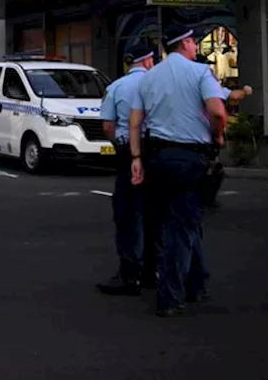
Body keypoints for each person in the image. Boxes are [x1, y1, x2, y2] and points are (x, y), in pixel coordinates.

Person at [128, 27, 228, 317]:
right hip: (189, 157)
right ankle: (169, 296)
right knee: (182, 227)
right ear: (185, 43)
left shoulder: (149, 78)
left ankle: (198, 283)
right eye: (194, 41)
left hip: (156, 156)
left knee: (181, 220)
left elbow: (135, 121)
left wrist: (136, 157)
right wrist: (218, 136)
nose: (196, 45)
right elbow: (218, 112)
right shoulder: (200, 73)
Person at [96, 43, 157, 296]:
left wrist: (121, 147)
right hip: (157, 151)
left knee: (127, 215)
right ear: (148, 61)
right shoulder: (157, 84)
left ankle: (129, 275)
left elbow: (108, 127)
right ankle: (153, 272)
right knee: (155, 213)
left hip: (127, 154)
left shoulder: (116, 87)